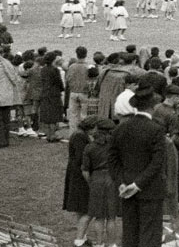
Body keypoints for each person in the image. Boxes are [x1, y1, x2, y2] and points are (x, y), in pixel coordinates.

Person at [107, 81, 167, 247]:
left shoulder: (120, 129)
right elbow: (157, 162)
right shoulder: (156, 129)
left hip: (126, 188)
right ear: (152, 107)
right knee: (150, 235)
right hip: (150, 189)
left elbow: (112, 159)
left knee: (130, 233)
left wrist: (121, 182)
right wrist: (138, 184)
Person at [83, 118, 120, 247]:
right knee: (111, 217)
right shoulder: (115, 146)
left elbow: (85, 171)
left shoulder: (89, 147)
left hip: (96, 179)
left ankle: (99, 243)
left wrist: (91, 183)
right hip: (111, 178)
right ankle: (112, 244)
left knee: (99, 217)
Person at [64, 115, 97, 247]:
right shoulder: (80, 137)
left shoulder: (80, 135)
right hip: (80, 176)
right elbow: (81, 158)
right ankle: (79, 239)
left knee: (81, 208)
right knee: (88, 208)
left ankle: (82, 237)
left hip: (76, 174)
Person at [40, 51, 65, 143]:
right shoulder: (55, 70)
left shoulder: (43, 69)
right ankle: (53, 135)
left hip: (45, 93)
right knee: (54, 115)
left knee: (48, 114)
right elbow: (58, 81)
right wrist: (62, 88)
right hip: (54, 93)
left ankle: (49, 134)